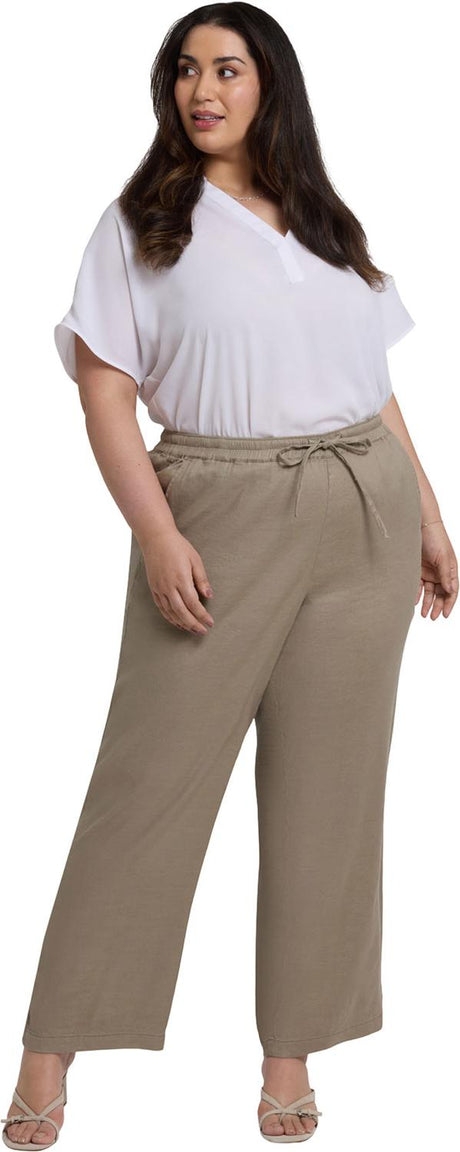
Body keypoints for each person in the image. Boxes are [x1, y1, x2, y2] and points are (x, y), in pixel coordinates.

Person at [2, 3, 458, 1148]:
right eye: (184, 70)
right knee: (147, 787)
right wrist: (157, 533)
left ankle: (288, 1057)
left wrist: (426, 511)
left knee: (328, 797)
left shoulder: (324, 220)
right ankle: (50, 1049)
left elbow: (370, 379)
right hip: (219, 505)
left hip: (361, 505)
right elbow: (104, 391)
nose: (201, 89)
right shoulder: (143, 223)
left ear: (270, 85)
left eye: (226, 68)